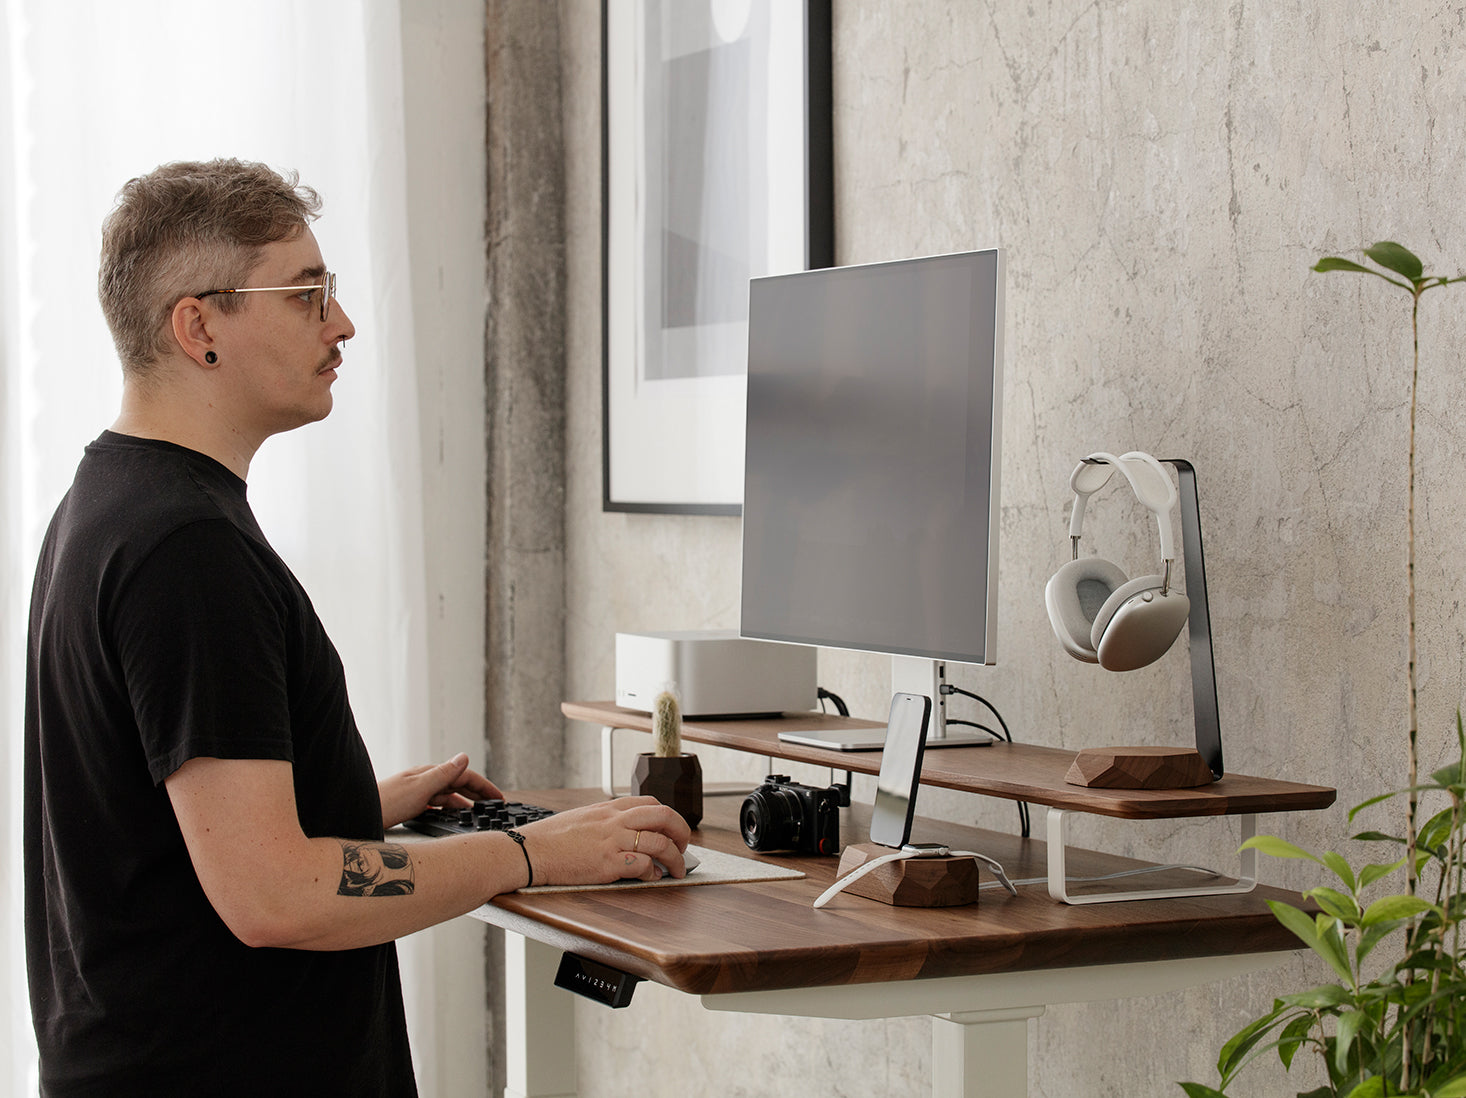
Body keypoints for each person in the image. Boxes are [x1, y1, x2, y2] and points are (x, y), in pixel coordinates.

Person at [23, 159, 690, 1098]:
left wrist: (350, 801)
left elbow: (155, 832)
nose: (340, 323)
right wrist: (532, 852)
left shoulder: (111, 503)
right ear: (198, 326)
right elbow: (272, 897)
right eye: (305, 293)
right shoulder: (187, 549)